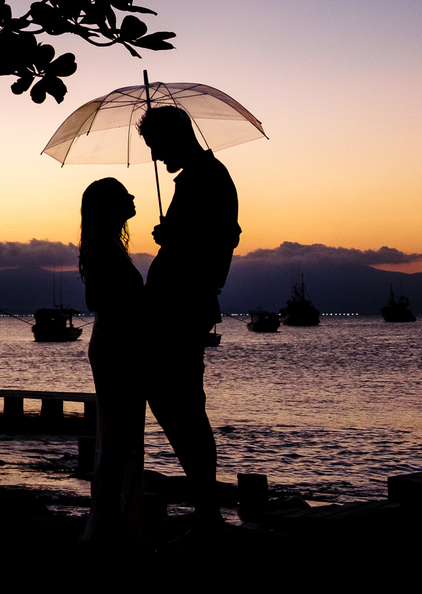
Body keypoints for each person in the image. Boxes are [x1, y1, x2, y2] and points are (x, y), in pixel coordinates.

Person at [138, 106, 240, 531]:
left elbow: (217, 241)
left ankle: (207, 510)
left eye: (157, 146)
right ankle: (207, 507)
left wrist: (174, 238)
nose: (157, 157)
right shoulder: (201, 176)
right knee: (178, 403)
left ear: (178, 136)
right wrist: (174, 237)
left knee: (178, 404)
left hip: (182, 306)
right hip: (179, 305)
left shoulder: (205, 177)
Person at [78, 177, 146, 542]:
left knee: (121, 437)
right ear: (109, 206)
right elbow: (95, 300)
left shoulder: (111, 245)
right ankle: (108, 530)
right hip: (114, 346)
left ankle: (116, 524)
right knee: (117, 438)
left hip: (121, 345)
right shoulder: (103, 245)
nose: (133, 197)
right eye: (124, 195)